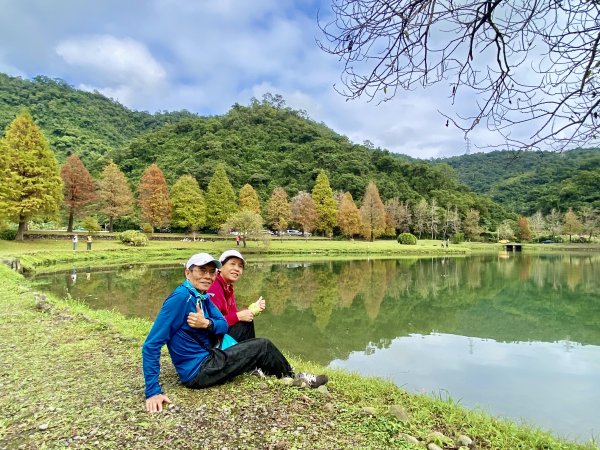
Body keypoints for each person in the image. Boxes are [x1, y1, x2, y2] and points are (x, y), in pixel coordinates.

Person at [142, 252, 327, 413]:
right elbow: (151, 345)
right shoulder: (180, 299)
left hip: (208, 355)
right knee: (262, 345)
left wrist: (206, 323)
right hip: (198, 371)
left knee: (245, 324)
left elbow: (222, 324)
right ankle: (294, 377)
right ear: (187, 272)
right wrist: (153, 392)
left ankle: (255, 367)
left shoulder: (202, 296)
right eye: (201, 270)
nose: (207, 276)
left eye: (211, 271)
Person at [204, 249, 264, 343]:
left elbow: (233, 314)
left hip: (221, 332)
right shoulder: (214, 287)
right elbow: (211, 323)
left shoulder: (228, 287)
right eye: (232, 264)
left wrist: (252, 309)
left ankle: (250, 353)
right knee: (245, 324)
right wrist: (238, 316)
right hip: (211, 339)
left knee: (246, 321)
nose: (236, 269)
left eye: (240, 266)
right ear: (220, 267)